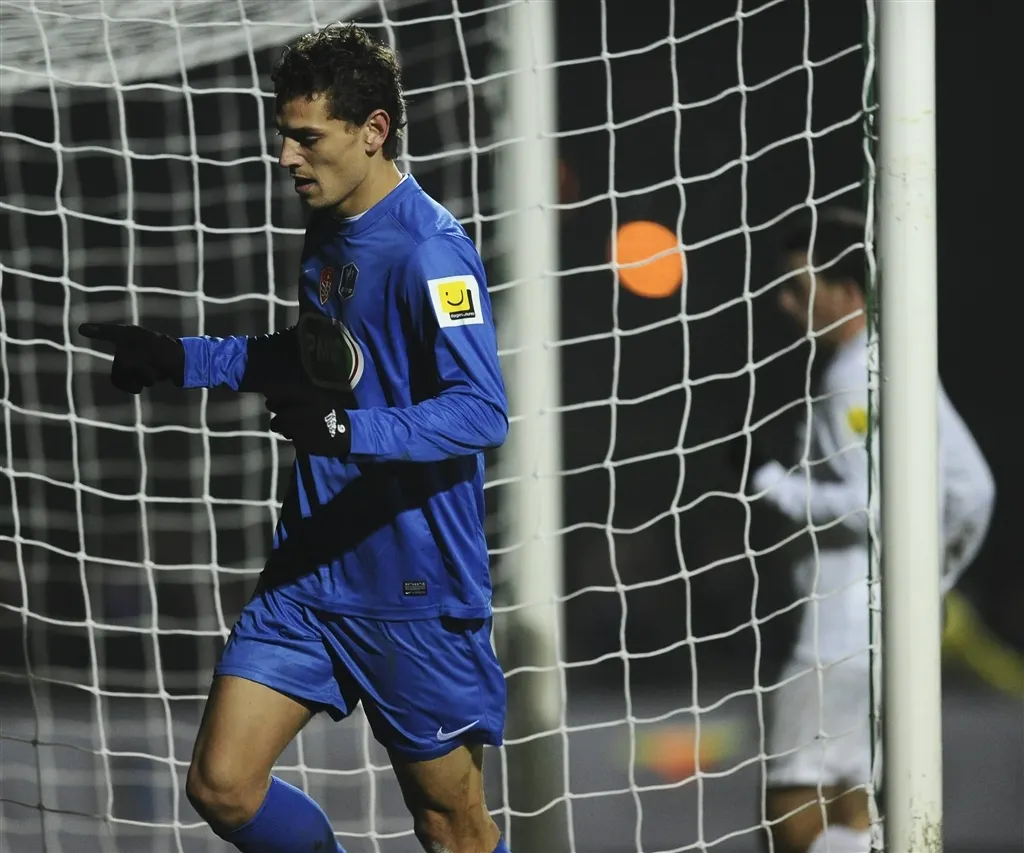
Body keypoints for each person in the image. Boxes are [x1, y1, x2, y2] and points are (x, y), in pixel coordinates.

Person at [80, 23, 511, 853]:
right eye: (284, 134)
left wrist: (347, 428)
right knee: (223, 784)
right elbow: (321, 356)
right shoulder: (329, 228)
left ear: (373, 130)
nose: (286, 155)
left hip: (412, 587)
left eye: (306, 137)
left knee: (450, 827)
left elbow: (480, 411)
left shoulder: (431, 253)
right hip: (309, 573)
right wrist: (181, 358)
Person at [746, 208, 995, 853]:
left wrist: (773, 485)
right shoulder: (899, 362)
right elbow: (973, 488)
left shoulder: (849, 376)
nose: (785, 302)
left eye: (799, 287)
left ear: (849, 291)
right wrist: (929, 581)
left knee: (788, 817)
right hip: (886, 632)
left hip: (833, 634)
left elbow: (876, 504)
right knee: (855, 804)